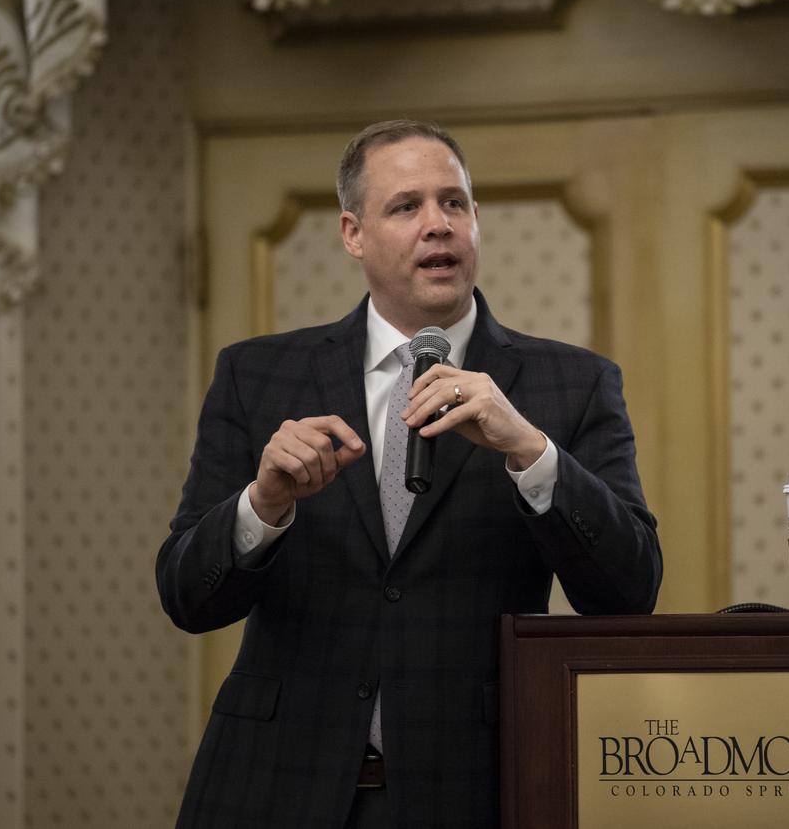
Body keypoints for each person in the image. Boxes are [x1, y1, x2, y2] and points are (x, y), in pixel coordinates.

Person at [156, 119, 662, 828]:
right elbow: (186, 596)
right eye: (406, 206)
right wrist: (262, 505)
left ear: (478, 222)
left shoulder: (570, 385)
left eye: (454, 203)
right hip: (274, 782)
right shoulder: (258, 374)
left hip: (477, 787)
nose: (438, 225)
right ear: (352, 232)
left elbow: (629, 592)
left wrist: (531, 451)